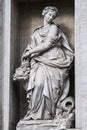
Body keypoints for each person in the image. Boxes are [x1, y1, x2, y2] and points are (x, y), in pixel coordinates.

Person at [21, 6, 74, 120]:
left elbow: (47, 44)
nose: (51, 17)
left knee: (52, 89)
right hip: (40, 60)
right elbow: (32, 45)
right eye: (49, 14)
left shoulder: (54, 28)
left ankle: (48, 114)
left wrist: (31, 52)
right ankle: (33, 113)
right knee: (38, 84)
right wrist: (28, 53)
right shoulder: (37, 31)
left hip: (54, 59)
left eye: (53, 16)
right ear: (44, 13)